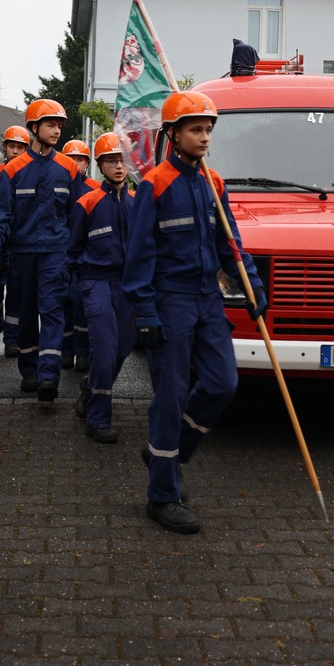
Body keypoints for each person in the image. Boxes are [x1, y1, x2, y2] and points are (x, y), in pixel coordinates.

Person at [122, 91, 266, 534]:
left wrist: (252, 285)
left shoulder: (214, 182)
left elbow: (231, 244)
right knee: (169, 396)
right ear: (173, 134)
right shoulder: (155, 183)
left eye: (208, 130)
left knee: (223, 382)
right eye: (196, 130)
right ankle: (161, 495)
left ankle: (166, 453)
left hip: (208, 299)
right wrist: (144, 310)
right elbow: (139, 254)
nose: (205, 138)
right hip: (170, 301)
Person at [0, 99, 82, 401]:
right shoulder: (13, 170)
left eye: (59, 125)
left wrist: (74, 254)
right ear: (34, 128)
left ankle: (49, 376)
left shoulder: (67, 168)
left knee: (52, 312)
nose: (56, 130)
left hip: (56, 253)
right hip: (23, 254)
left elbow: (77, 214)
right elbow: (0, 214)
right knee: (26, 313)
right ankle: (29, 370)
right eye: (51, 125)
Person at [67, 132, 136, 443]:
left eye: (122, 160)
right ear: (101, 166)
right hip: (96, 282)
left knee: (121, 350)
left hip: (128, 285)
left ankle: (88, 388)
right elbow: (73, 249)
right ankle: (98, 419)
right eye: (111, 161)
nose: (118, 166)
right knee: (105, 350)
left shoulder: (138, 204)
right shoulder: (87, 203)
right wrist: (81, 283)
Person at [0, 125, 30, 354]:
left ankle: (11, 338)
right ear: (5, 148)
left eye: (21, 147)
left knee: (16, 292)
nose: (16, 151)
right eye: (12, 146)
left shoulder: (31, 173)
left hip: (21, 239)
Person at [60, 140, 100, 370]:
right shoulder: (58, 182)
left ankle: (83, 352)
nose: (76, 164)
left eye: (80, 160)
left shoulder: (95, 188)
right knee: (63, 301)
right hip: (61, 250)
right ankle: (66, 350)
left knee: (83, 303)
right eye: (71, 159)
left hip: (86, 253)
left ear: (87, 163)